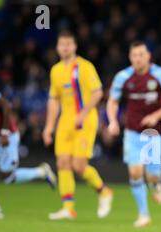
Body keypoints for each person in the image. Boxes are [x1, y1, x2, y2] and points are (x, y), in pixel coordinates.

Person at [107, 41, 161, 228]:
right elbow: (112, 101)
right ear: (130, 57)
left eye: (141, 55)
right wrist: (113, 121)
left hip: (156, 132)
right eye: (134, 55)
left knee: (152, 175)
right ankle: (143, 214)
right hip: (132, 132)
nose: (138, 59)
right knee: (135, 171)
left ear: (148, 56)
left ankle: (156, 184)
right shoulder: (123, 77)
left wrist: (155, 115)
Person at [43, 30, 113, 220]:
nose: (65, 47)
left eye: (68, 44)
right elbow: (53, 100)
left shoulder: (84, 67)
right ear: (57, 47)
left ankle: (104, 191)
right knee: (62, 162)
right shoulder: (56, 70)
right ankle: (68, 207)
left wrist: (83, 113)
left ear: (74, 46)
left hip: (85, 120)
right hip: (65, 121)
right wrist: (49, 126)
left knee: (79, 166)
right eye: (61, 44)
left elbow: (98, 92)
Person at [0, 90, 56, 220]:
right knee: (8, 177)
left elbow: (5, 105)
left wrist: (5, 132)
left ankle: (41, 172)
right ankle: (41, 172)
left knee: (8, 176)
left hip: (7, 136)